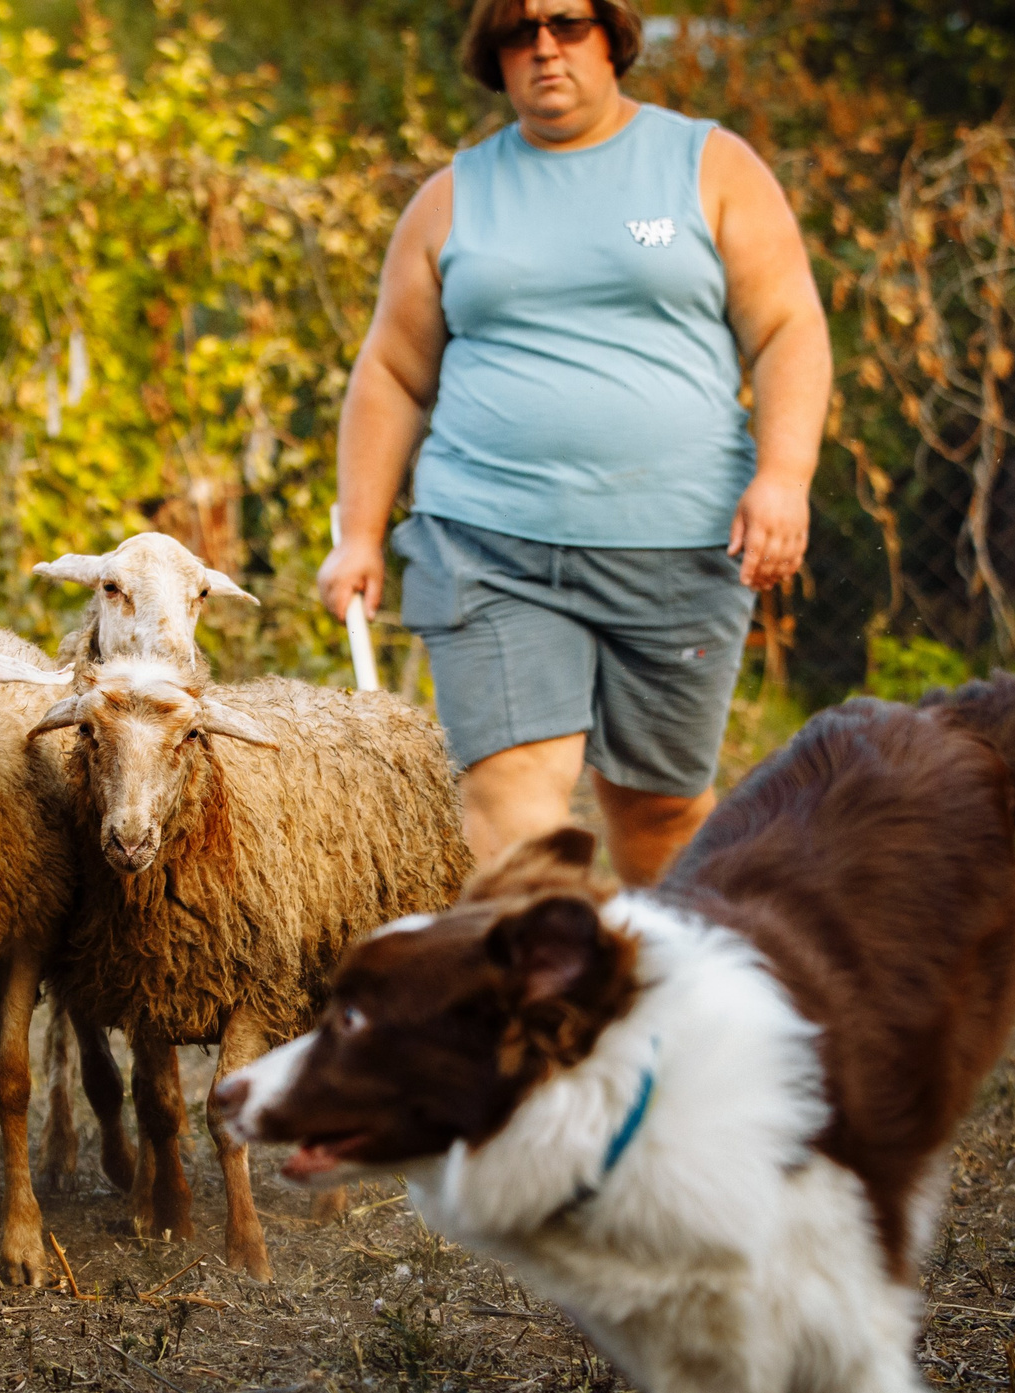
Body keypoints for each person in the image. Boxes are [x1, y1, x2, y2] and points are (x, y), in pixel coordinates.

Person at [315, 0, 829, 883]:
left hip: (679, 544)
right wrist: (359, 533)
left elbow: (788, 328)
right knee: (509, 800)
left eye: (568, 22)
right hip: (487, 542)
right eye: (520, 31)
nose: (545, 48)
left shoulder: (708, 166)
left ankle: (659, 995)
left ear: (613, 36)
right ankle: (544, 1007)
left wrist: (785, 475)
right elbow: (391, 372)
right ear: (492, 52)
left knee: (658, 806)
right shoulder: (451, 198)